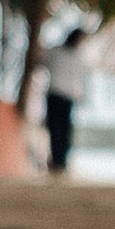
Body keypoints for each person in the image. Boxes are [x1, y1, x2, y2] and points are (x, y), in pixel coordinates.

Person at [43, 19, 95, 174]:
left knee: (61, 129)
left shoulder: (73, 56)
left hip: (64, 96)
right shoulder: (59, 53)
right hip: (58, 95)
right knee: (57, 129)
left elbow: (81, 80)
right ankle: (57, 160)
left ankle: (60, 161)